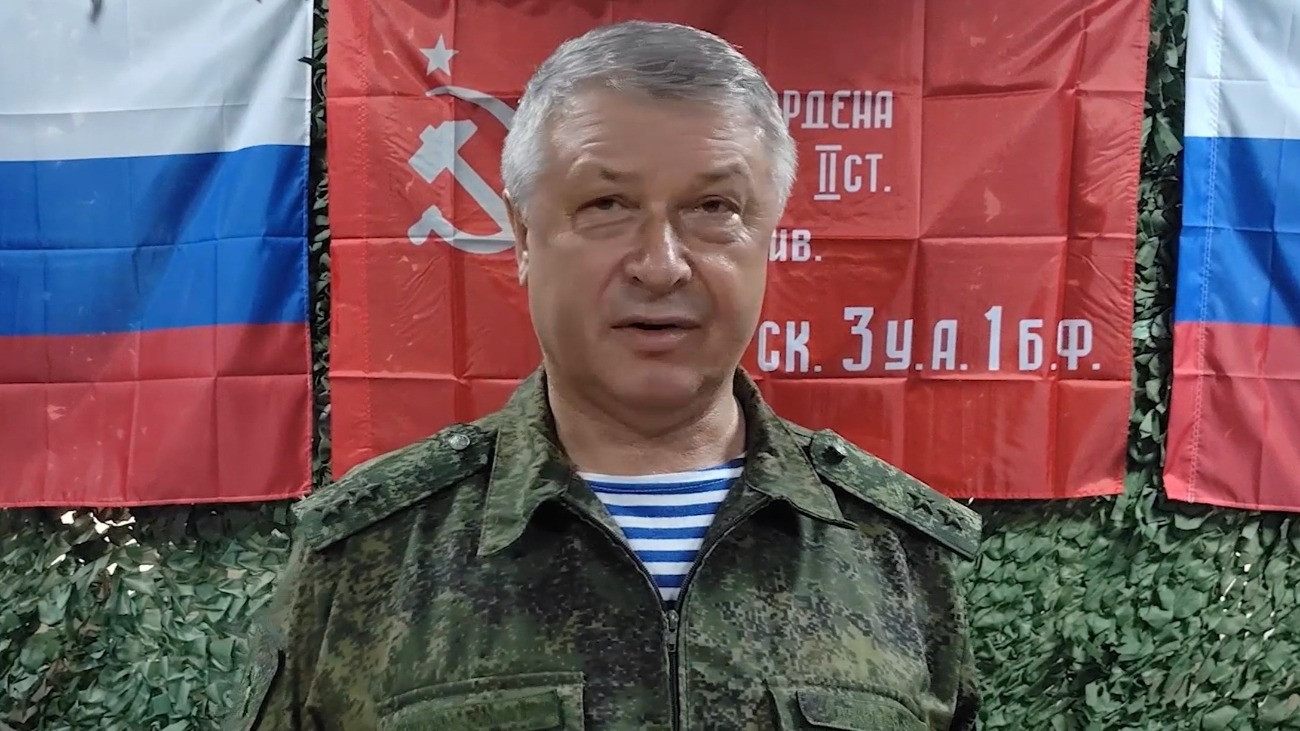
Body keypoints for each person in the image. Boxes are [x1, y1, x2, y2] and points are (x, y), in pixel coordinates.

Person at [227, 20, 983, 731]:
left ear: (767, 236)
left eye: (713, 207)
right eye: (606, 204)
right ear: (524, 236)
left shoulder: (901, 557)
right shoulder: (366, 555)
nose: (660, 264)